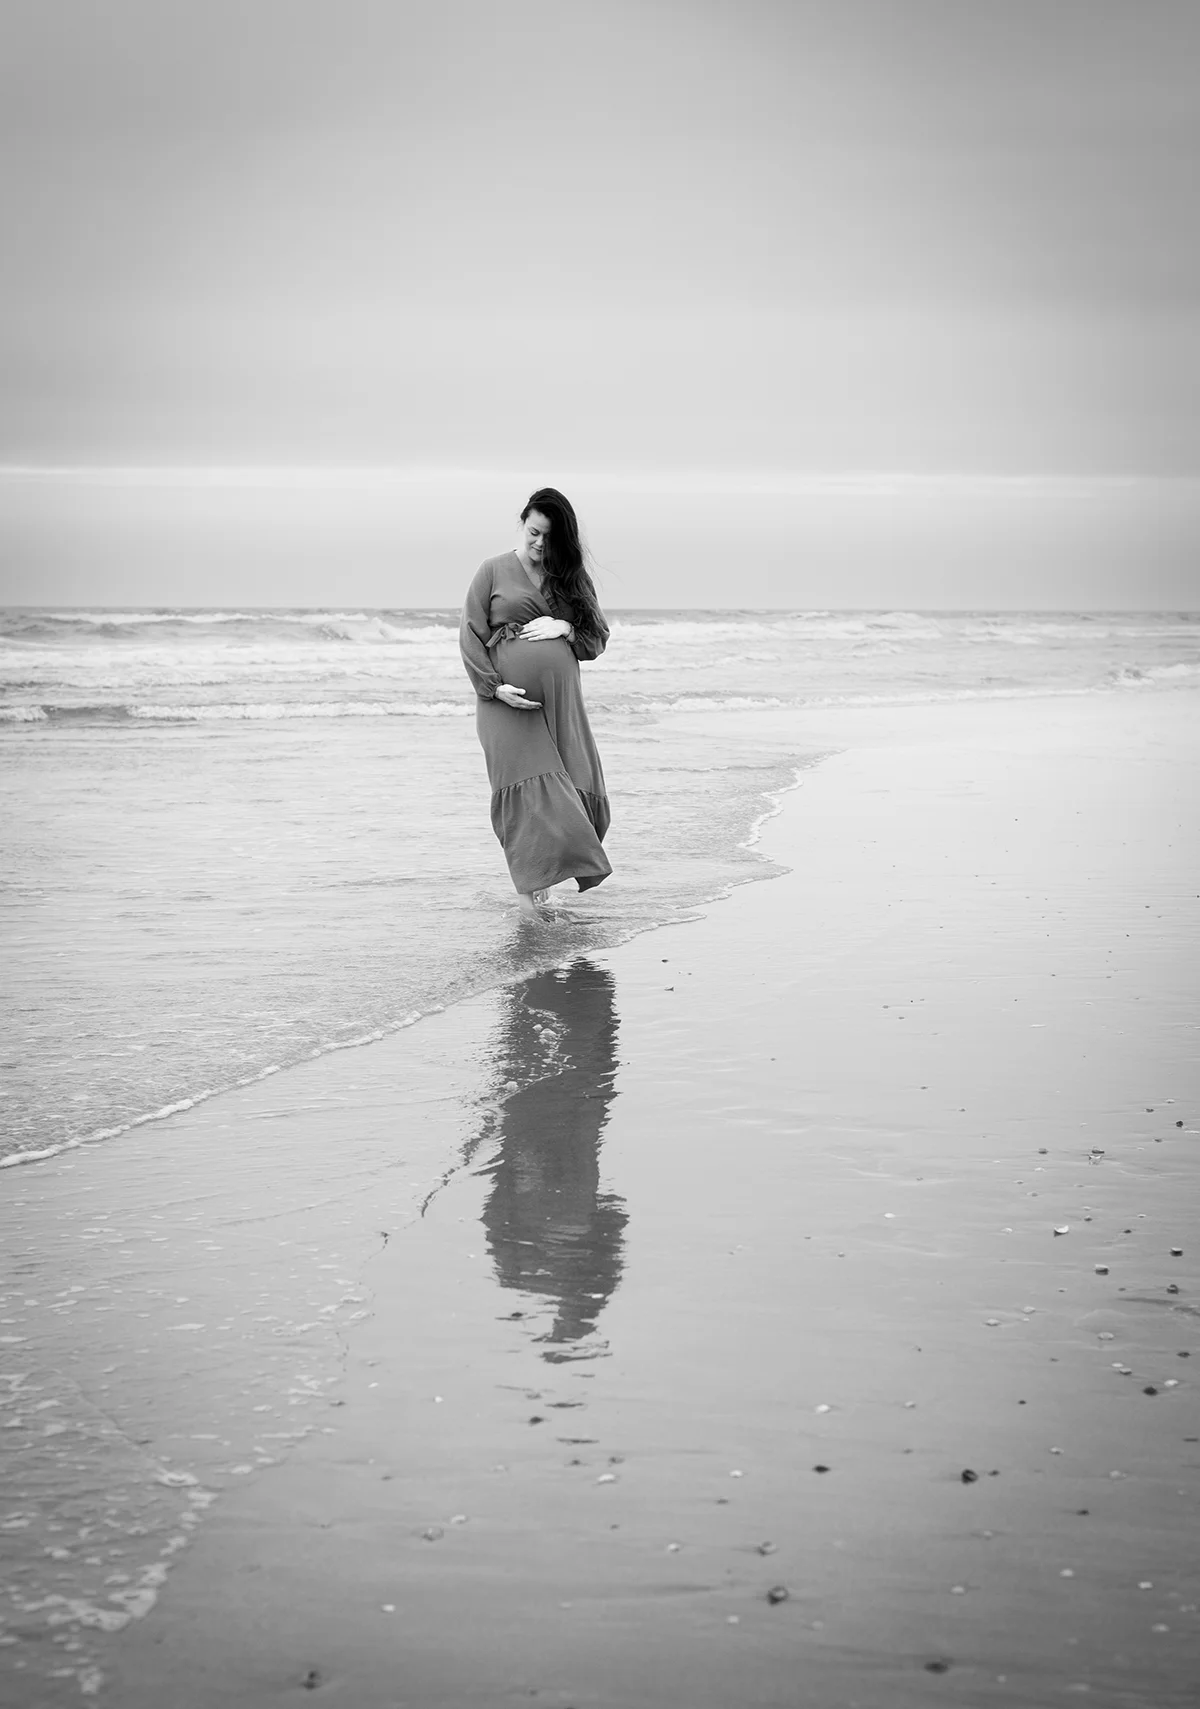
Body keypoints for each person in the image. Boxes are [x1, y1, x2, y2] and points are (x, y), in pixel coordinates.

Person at [460, 488, 612, 917]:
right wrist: (493, 688)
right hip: (504, 705)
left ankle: (544, 884)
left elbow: (596, 639)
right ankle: (528, 903)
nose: (540, 543)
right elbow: (470, 634)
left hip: (561, 706)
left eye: (549, 537)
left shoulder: (570, 578)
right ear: (522, 523)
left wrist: (565, 627)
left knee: (570, 791)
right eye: (534, 532)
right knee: (525, 791)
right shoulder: (492, 570)